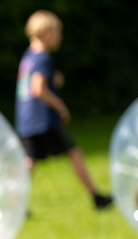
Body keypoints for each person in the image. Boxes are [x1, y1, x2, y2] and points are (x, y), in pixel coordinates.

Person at [14, 10, 113, 211]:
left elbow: (34, 81)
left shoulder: (29, 56)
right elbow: (38, 88)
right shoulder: (43, 58)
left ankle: (15, 206)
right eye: (58, 33)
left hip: (28, 118)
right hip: (43, 120)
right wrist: (59, 105)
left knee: (30, 162)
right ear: (47, 34)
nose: (60, 37)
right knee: (73, 153)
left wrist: (53, 79)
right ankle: (96, 197)